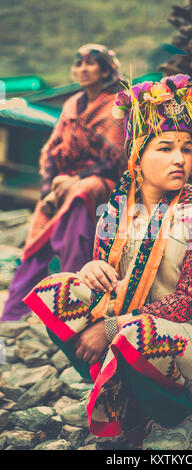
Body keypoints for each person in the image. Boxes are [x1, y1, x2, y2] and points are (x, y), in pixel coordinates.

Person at [23, 74, 192, 450]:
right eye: (165, 147)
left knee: (134, 334)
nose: (180, 159)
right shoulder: (118, 208)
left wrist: (110, 327)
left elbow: (185, 304)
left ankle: (175, 415)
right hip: (138, 326)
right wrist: (90, 271)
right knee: (54, 291)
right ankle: (130, 398)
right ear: (137, 154)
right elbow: (108, 279)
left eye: (186, 148)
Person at [1, 44, 125, 322]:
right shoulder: (71, 104)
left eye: (90, 63)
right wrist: (48, 190)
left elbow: (116, 157)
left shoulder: (117, 104)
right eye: (78, 63)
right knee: (39, 232)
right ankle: (13, 315)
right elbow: (51, 149)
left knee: (82, 197)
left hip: (98, 182)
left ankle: (72, 303)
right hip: (62, 184)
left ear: (105, 70)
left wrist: (74, 181)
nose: (82, 69)